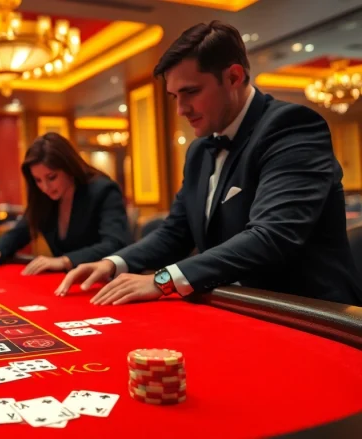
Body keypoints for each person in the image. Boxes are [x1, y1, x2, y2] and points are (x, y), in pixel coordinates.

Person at [55, 21, 362, 307]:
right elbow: (175, 232)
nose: (180, 110)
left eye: (191, 92)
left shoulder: (292, 127)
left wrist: (162, 280)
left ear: (233, 77)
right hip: (235, 304)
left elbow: (271, 236)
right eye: (174, 96)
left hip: (307, 313)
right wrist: (113, 262)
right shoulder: (200, 151)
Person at [0, 132, 132, 276]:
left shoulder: (103, 190)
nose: (45, 187)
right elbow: (22, 230)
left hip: (105, 281)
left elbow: (114, 244)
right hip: (66, 282)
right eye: (38, 180)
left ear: (69, 168)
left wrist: (65, 260)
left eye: (51, 177)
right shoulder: (43, 198)